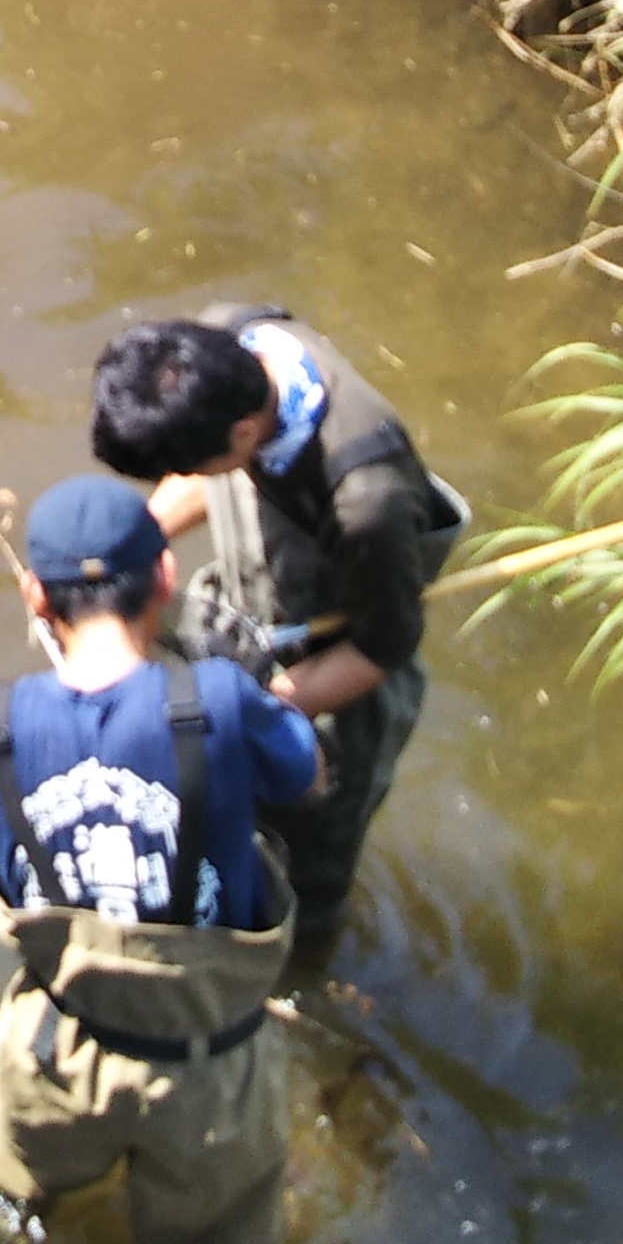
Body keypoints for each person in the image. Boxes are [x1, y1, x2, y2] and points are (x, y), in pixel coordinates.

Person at [0, 474, 320, 1244]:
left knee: (3, 1214)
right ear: (166, 578)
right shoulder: (220, 701)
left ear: (36, 597)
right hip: (208, 1071)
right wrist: (250, 693)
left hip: (55, 1051)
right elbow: (305, 782)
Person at [90, 309, 468, 946]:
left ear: (242, 436)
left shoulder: (366, 503)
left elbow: (387, 646)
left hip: (335, 679)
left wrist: (252, 712)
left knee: (308, 855)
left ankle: (298, 968)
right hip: (251, 610)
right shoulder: (229, 338)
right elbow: (197, 477)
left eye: (195, 466)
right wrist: (138, 544)